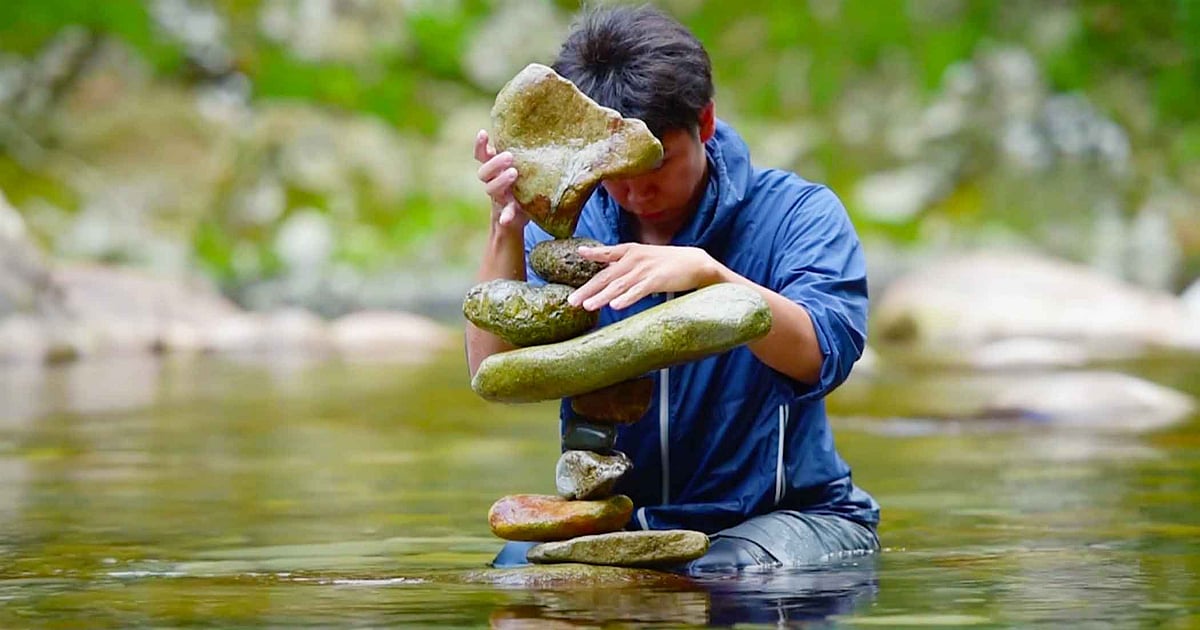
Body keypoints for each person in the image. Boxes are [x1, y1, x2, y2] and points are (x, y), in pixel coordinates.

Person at [466, 4, 879, 572]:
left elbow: (823, 356)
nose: (634, 194)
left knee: (714, 576)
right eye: (614, 176)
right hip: (633, 522)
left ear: (704, 124)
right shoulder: (573, 236)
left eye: (655, 168)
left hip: (793, 518)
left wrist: (714, 277)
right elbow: (492, 372)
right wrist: (506, 225)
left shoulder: (796, 214)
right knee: (516, 574)